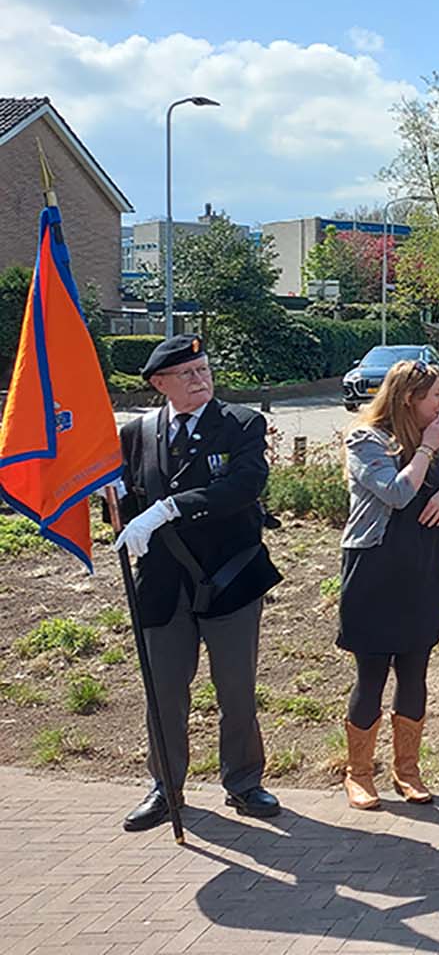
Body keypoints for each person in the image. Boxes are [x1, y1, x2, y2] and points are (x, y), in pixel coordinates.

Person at [113, 334, 282, 832]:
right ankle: (166, 785)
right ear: (159, 383)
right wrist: (114, 507)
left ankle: (244, 781)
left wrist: (169, 509)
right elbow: (126, 510)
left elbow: (242, 487)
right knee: (163, 691)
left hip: (229, 578)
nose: (200, 379)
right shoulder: (138, 435)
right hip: (164, 586)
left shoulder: (240, 424)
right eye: (186, 374)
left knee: (236, 688)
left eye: (204, 369)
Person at [338, 359, 439, 809]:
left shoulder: (435, 444)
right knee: (371, 675)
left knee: (415, 671)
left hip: (422, 568)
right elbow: (396, 492)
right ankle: (358, 773)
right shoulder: (366, 439)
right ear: (409, 398)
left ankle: (407, 770)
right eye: (435, 396)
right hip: (375, 570)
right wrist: (428, 447)